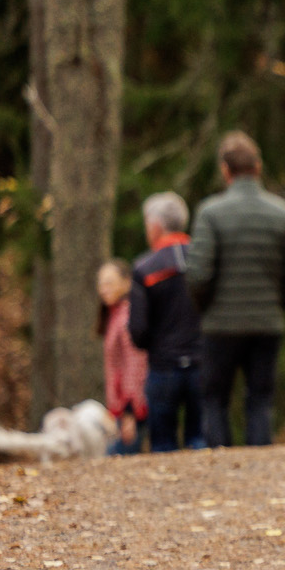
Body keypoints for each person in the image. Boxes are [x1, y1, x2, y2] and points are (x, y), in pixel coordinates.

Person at [185, 132, 285, 448]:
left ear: (225, 170)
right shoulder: (282, 213)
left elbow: (198, 274)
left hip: (220, 326)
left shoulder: (210, 213)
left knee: (215, 400)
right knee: (260, 400)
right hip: (266, 324)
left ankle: (220, 463)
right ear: (258, 167)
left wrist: (207, 308)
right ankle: (260, 465)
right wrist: (277, 304)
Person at [128, 191, 205, 452]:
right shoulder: (204, 260)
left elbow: (138, 331)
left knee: (162, 446)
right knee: (201, 442)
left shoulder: (145, 268)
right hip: (202, 362)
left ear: (155, 226)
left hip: (163, 367)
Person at [97, 261, 146, 455]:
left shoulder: (127, 316)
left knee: (118, 457)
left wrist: (130, 412)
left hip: (131, 406)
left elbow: (135, 363)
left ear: (126, 283)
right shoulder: (115, 314)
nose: (104, 289)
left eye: (109, 283)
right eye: (101, 284)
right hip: (120, 407)